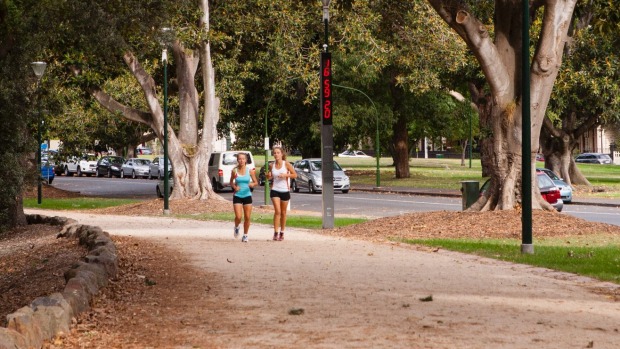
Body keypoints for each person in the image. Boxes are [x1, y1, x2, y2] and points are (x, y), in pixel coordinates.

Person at [267, 146, 297, 241]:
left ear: (282, 154)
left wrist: (285, 175)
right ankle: (275, 232)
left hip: (285, 190)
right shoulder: (271, 165)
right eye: (274, 153)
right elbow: (269, 178)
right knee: (278, 211)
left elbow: (295, 175)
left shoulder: (286, 164)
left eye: (278, 153)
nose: (276, 154)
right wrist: (268, 176)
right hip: (275, 190)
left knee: (283, 213)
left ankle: (282, 232)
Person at [230, 153, 258, 242]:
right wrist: (234, 187)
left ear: (246, 160)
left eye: (243, 159)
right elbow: (231, 182)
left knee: (247, 217)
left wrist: (252, 184)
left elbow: (256, 182)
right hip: (237, 195)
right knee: (238, 216)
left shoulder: (250, 171)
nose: (241, 161)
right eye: (240, 159)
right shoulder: (234, 171)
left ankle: (245, 235)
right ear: (237, 160)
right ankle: (237, 226)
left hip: (247, 195)